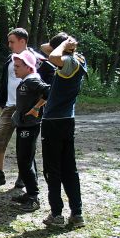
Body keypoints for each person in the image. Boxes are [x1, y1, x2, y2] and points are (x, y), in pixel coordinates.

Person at [0, 28, 55, 186]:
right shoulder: (11, 58)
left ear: (23, 41)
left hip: (27, 108)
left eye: (12, 42)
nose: (9, 45)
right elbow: (6, 81)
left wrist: (38, 106)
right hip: (10, 106)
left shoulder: (37, 59)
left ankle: (25, 175)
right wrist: (3, 101)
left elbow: (51, 81)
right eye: (9, 42)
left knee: (26, 146)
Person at [40, 33, 87, 228]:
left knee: (53, 170)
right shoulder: (79, 59)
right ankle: (77, 214)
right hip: (67, 120)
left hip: (54, 122)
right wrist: (67, 45)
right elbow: (46, 47)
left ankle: (56, 214)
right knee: (69, 169)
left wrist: (65, 46)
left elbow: (51, 56)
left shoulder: (67, 62)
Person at [9, 51, 50, 212]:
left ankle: (34, 197)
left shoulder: (32, 80)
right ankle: (30, 194)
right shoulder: (27, 80)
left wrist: (35, 108)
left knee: (25, 161)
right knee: (26, 160)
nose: (15, 69)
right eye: (15, 66)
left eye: (18, 66)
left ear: (28, 67)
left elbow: (48, 91)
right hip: (24, 125)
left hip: (29, 126)